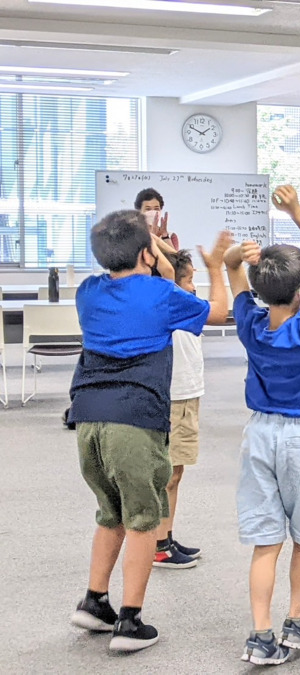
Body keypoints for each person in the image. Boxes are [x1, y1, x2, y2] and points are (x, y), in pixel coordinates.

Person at [68, 211, 230, 652]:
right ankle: (129, 621)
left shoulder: (88, 292)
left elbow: (135, 275)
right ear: (146, 251)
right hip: (135, 421)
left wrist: (149, 247)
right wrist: (214, 268)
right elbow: (218, 312)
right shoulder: (163, 295)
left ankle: (94, 601)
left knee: (111, 513)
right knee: (143, 520)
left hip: (88, 421)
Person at [223, 185, 300, 666]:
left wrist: (235, 256)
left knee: (266, 542)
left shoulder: (249, 322)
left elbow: (231, 270)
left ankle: (261, 636)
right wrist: (294, 211)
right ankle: (296, 621)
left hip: (260, 435)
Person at [152, 250, 205, 570]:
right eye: (189, 280)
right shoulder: (167, 301)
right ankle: (159, 545)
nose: (194, 287)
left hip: (187, 395)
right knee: (168, 474)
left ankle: (166, 536)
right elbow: (166, 272)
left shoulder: (182, 304)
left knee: (178, 471)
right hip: (175, 397)